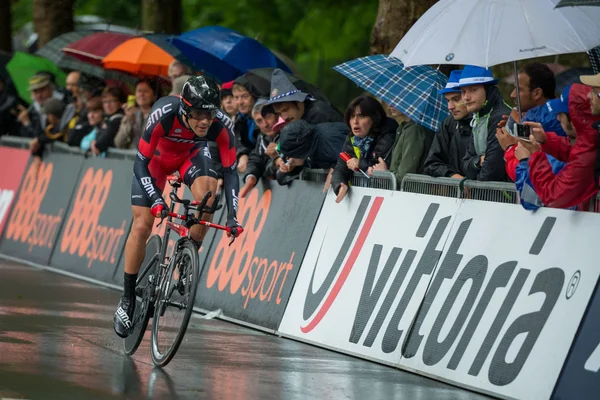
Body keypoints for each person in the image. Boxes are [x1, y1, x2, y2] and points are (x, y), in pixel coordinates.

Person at [113, 76, 243, 338]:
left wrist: (233, 216)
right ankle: (127, 299)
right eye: (198, 114)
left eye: (210, 114)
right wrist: (157, 198)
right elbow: (140, 164)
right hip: (157, 162)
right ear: (185, 110)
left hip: (191, 156)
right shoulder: (163, 113)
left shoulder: (221, 125)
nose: (205, 121)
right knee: (142, 225)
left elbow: (230, 172)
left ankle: (187, 256)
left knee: (209, 197)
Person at [519, 80, 600, 209]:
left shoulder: (587, 154)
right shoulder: (591, 140)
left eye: (560, 114)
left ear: (574, 118)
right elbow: (575, 152)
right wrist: (547, 140)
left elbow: (553, 197)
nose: (557, 118)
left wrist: (534, 156)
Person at [331, 96, 397, 203]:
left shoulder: (387, 136)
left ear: (374, 119)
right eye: (352, 117)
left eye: (361, 116)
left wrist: (360, 164)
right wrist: (340, 186)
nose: (355, 121)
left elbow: (381, 170)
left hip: (386, 199)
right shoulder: (353, 139)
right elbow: (340, 170)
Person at [459, 65, 511, 181]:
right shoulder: (478, 116)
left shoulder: (500, 116)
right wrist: (478, 161)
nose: (466, 97)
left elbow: (492, 169)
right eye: (463, 92)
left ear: (488, 90)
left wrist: (476, 187)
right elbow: (464, 164)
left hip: (503, 197)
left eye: (473, 90)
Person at [424, 70, 472, 178]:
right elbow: (431, 163)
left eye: (456, 99)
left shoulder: (489, 121)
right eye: (448, 100)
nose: (450, 107)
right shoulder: (448, 123)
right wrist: (453, 175)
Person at [370, 107, 434, 187]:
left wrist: (385, 173)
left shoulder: (414, 130)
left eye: (397, 101)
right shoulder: (403, 128)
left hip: (411, 194)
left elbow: (405, 176)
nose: (391, 105)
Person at [277, 120, 348, 185]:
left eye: (289, 155)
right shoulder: (311, 148)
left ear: (299, 151)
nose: (287, 160)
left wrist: (335, 172)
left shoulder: (329, 140)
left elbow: (348, 157)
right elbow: (282, 180)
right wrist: (286, 171)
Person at [265, 68, 343, 125]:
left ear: (299, 102)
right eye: (279, 114)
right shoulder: (302, 117)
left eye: (286, 109)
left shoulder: (319, 115)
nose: (284, 117)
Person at [239, 99, 280, 197]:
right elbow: (256, 159)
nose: (265, 124)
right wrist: (250, 176)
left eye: (268, 117)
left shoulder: (288, 131)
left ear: (277, 115)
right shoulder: (262, 137)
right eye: (259, 121)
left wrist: (279, 151)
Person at [114, 79, 158, 149]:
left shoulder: (159, 115)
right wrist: (128, 120)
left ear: (154, 95)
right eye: (139, 91)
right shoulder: (131, 114)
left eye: (145, 91)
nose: (141, 94)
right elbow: (119, 143)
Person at [232, 76, 261, 173]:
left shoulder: (264, 118)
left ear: (254, 96)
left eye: (245, 96)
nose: (240, 102)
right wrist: (242, 154)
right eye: (236, 97)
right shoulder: (239, 120)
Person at [90, 86, 125, 155]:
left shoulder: (117, 119)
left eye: (112, 101)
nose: (108, 105)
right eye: (105, 102)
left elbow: (100, 144)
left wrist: (95, 143)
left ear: (121, 103)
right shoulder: (107, 119)